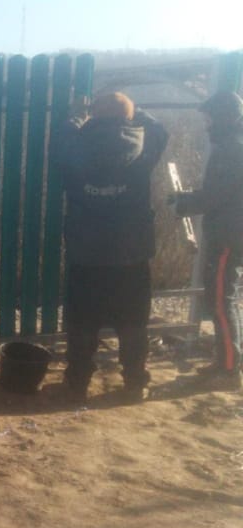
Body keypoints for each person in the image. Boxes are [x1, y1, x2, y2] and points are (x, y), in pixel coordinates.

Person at [56, 92, 169, 402]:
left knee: (82, 325)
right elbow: (160, 130)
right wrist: (135, 111)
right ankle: (135, 382)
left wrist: (78, 115)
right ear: (127, 117)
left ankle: (77, 381)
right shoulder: (143, 146)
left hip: (86, 254)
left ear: (94, 116)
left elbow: (61, 141)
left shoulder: (77, 147)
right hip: (131, 255)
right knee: (133, 324)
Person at [170, 90, 243, 391]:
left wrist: (184, 202)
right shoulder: (233, 145)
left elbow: (217, 196)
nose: (207, 125)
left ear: (224, 117)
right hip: (230, 232)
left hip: (229, 236)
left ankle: (229, 368)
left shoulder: (233, 150)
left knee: (221, 300)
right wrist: (187, 199)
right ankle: (226, 360)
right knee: (221, 299)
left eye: (210, 119)